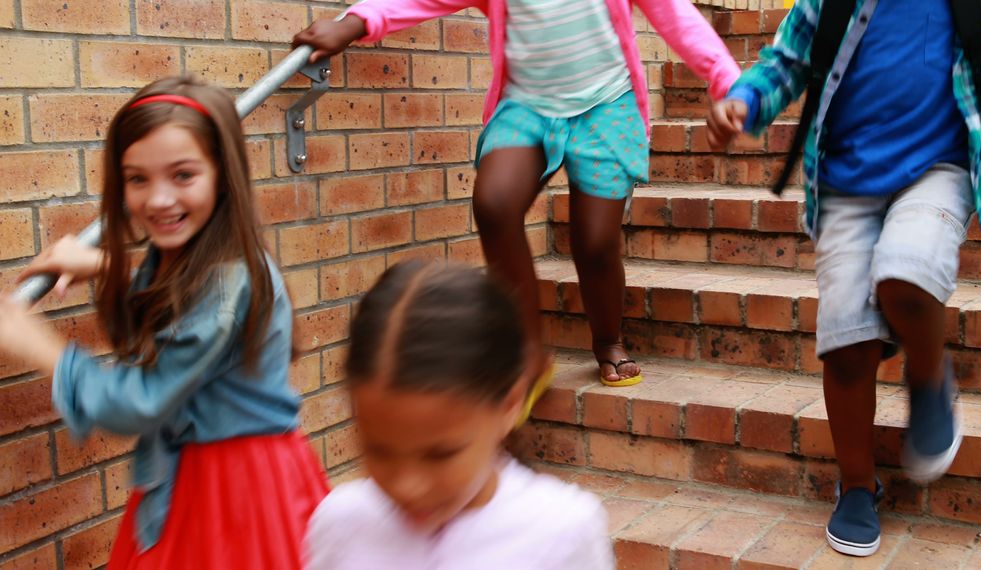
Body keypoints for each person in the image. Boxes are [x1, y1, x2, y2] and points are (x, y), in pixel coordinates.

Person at [706, 0, 981, 558]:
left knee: (906, 272)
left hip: (937, 171)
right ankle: (857, 486)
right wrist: (744, 100)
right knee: (848, 342)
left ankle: (929, 382)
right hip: (845, 185)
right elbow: (785, 62)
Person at [292, 0, 742, 391]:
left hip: (608, 106)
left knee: (594, 241)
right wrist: (352, 24)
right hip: (526, 106)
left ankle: (608, 340)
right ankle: (526, 352)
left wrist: (725, 80)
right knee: (494, 202)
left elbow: (678, 19)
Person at [0, 76, 329, 569]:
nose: (157, 200)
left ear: (222, 173)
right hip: (195, 475)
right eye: (137, 179)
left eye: (182, 175)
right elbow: (187, 303)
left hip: (238, 494)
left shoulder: (229, 280)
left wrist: (40, 348)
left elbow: (141, 402)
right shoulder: (190, 257)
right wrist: (106, 265)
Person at [305, 261, 614, 569]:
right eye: (379, 450)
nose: (406, 485)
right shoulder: (340, 520)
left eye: (440, 455)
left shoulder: (563, 531)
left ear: (509, 405)